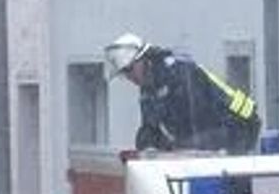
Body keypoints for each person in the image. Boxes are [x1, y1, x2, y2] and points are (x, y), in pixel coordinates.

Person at [104, 33, 261, 156]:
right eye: (124, 74)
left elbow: (198, 124)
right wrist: (146, 147)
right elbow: (150, 129)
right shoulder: (149, 89)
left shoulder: (181, 74)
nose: (130, 78)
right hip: (206, 137)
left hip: (237, 128)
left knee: (186, 148)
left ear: (144, 60)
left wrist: (177, 147)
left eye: (130, 70)